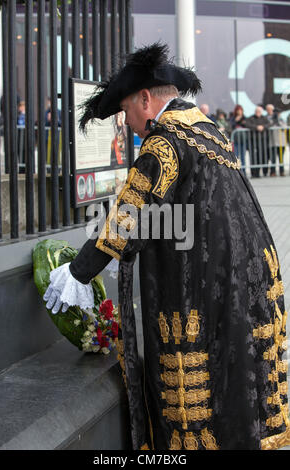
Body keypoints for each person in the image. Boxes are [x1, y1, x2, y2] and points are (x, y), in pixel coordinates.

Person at [43, 43, 289, 450]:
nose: (129, 125)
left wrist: (78, 271)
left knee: (204, 394)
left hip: (206, 287)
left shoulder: (164, 144)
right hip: (249, 276)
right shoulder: (209, 129)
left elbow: (129, 213)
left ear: (145, 99)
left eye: (126, 113)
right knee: (238, 378)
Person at [246, 106, 271, 178]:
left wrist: (263, 127)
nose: (258, 113)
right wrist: (256, 127)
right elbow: (247, 124)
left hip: (263, 141)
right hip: (253, 141)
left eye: (259, 111)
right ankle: (255, 173)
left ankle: (265, 172)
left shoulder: (264, 118)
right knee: (254, 157)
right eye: (257, 111)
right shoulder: (251, 118)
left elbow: (269, 124)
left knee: (264, 156)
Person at [266, 105, 286, 176]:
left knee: (281, 158)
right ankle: (273, 172)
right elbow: (269, 126)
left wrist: (278, 120)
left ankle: (281, 171)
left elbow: (284, 127)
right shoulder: (269, 119)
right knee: (273, 158)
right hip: (273, 142)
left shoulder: (282, 119)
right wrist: (274, 120)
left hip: (281, 142)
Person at [230, 105, 247, 175]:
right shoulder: (233, 118)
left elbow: (247, 124)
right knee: (236, 157)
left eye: (240, 110)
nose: (239, 112)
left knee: (243, 157)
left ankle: (244, 172)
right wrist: (236, 120)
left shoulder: (244, 117)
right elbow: (231, 125)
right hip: (236, 140)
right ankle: (237, 172)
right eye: (238, 110)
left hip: (243, 140)